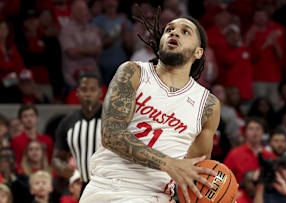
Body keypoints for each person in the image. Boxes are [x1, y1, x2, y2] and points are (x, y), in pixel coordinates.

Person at [80, 13, 220, 203]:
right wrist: (168, 163)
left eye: (185, 32)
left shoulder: (208, 105)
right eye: (169, 29)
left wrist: (218, 196)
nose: (175, 33)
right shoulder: (133, 72)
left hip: (158, 196)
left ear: (198, 52)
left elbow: (195, 172)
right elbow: (111, 135)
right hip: (109, 187)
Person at [52, 73, 103, 190]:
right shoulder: (67, 122)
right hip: (82, 185)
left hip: (109, 186)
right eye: (84, 90)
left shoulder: (112, 119)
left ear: (100, 93)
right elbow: (57, 158)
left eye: (93, 90)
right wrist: (62, 167)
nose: (88, 94)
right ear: (77, 93)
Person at [59, 0, 102, 89]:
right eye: (80, 9)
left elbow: (98, 50)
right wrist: (90, 51)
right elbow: (71, 53)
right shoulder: (66, 30)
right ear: (73, 11)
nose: (83, 12)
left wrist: (79, 49)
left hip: (94, 78)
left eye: (84, 9)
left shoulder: (91, 28)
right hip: (73, 81)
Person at [224, 117, 275, 184]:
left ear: (263, 133)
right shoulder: (234, 154)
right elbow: (224, 177)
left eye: (258, 129)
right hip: (239, 192)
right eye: (251, 129)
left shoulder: (270, 155)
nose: (255, 132)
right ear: (245, 132)